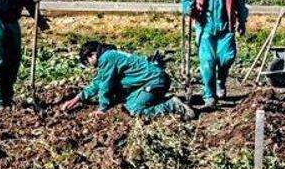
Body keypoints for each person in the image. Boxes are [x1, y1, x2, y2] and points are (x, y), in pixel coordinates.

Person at [179, 0, 248, 109]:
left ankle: (221, 81)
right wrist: (186, 8)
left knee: (227, 57)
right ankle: (209, 95)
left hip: (226, 26)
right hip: (205, 26)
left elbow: (240, 1)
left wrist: (242, 21)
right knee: (208, 62)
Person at [58, 41, 194, 119]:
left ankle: (173, 105)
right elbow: (97, 83)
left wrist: (102, 109)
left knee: (135, 110)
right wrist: (75, 100)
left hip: (155, 81)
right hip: (152, 81)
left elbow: (105, 86)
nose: (90, 65)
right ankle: (156, 100)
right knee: (127, 104)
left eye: (88, 61)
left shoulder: (107, 58)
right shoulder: (109, 56)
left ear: (92, 55)